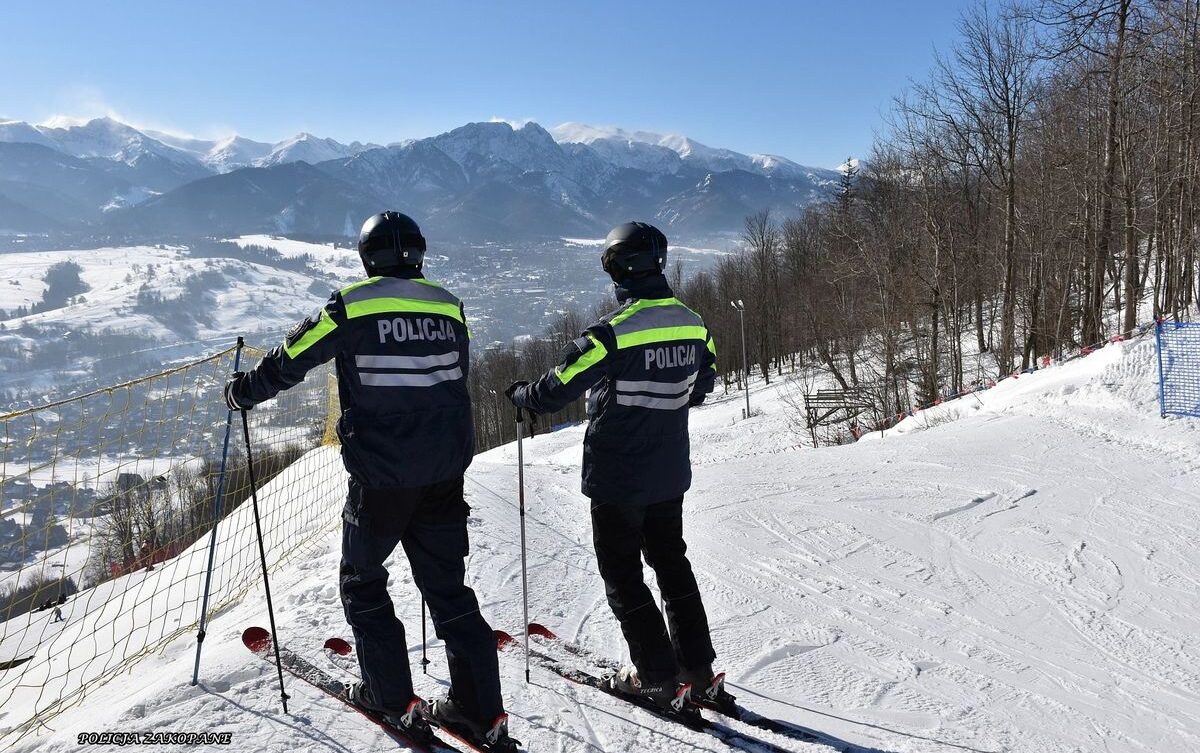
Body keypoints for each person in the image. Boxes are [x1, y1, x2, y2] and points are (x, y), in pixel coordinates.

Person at [224, 212, 517, 750]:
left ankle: (390, 696)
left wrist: (244, 392)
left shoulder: (350, 305)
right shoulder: (449, 305)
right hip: (445, 471)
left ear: (368, 256)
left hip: (382, 474)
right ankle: (480, 710)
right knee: (449, 589)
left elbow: (292, 358)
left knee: (362, 579)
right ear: (419, 254)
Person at [506, 221, 731, 713]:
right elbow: (703, 382)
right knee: (673, 567)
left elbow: (555, 389)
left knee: (624, 575)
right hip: (669, 471)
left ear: (618, 269)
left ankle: (656, 678)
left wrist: (521, 393)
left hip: (617, 477)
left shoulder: (611, 333)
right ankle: (698, 670)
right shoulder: (694, 324)